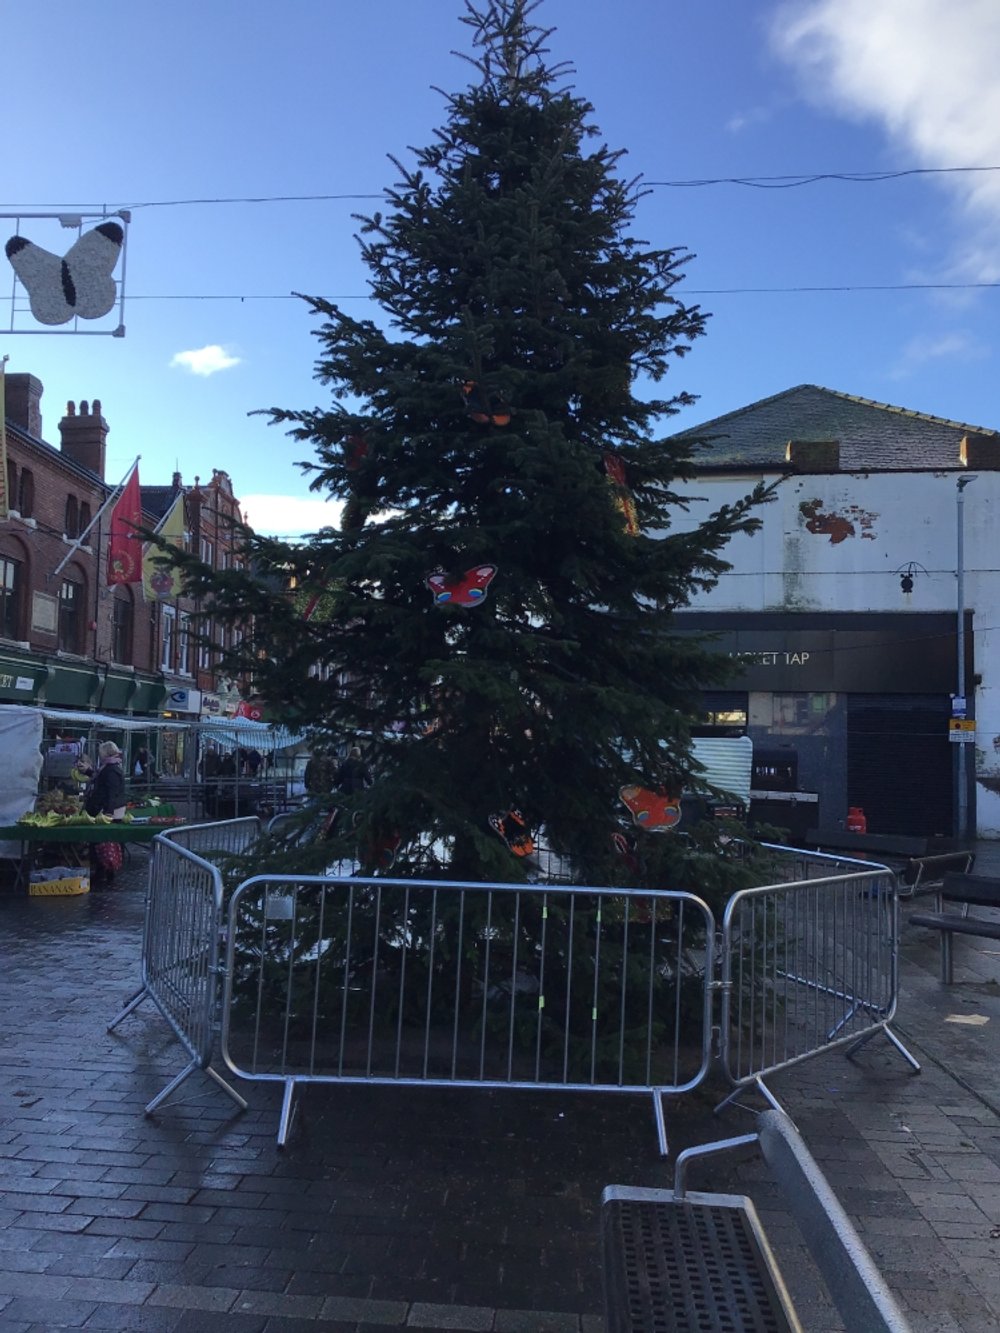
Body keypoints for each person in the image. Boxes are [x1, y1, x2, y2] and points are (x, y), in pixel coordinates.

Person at [86, 742, 127, 887]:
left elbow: (111, 792)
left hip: (108, 811)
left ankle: (104, 870)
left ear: (106, 752)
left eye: (101, 751)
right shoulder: (110, 767)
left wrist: (108, 811)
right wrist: (88, 772)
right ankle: (105, 870)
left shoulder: (111, 770)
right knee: (105, 842)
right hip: (107, 809)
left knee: (103, 842)